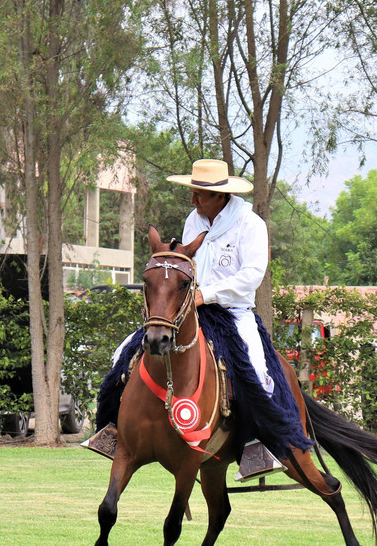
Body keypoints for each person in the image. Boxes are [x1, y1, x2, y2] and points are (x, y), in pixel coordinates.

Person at [85, 159, 292, 479]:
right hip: (190, 310)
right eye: (193, 193)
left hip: (234, 312)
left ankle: (256, 445)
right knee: (124, 351)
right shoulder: (193, 221)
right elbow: (185, 267)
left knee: (257, 366)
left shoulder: (251, 225)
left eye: (199, 194)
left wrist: (205, 295)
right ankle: (111, 430)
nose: (193, 200)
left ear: (220, 196)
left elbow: (251, 276)